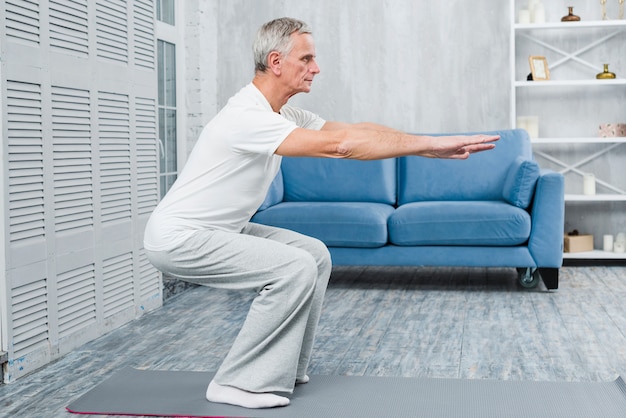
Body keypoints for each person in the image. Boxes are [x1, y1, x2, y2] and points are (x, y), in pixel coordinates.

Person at [143, 17, 499, 410]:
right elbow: (341, 146)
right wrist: (428, 146)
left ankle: (284, 366)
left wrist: (428, 146)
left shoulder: (283, 114)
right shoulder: (246, 116)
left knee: (313, 255)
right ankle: (238, 382)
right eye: (307, 58)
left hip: (222, 230)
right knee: (292, 267)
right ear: (276, 62)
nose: (316, 68)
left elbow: (357, 131)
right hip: (180, 238)